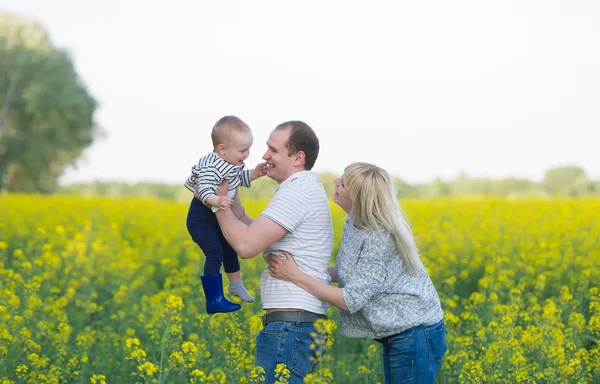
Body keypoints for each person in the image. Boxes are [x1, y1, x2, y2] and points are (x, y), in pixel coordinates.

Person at [268, 162, 447, 384]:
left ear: (358, 197)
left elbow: (349, 299)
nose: (335, 182)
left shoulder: (378, 237)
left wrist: (295, 275)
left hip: (416, 333)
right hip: (401, 334)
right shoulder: (354, 223)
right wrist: (301, 270)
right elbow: (348, 273)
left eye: (343, 183)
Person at [213, 120, 334, 384]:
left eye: (274, 150)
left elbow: (246, 246)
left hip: (291, 326)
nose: (265, 156)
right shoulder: (303, 188)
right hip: (297, 325)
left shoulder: (297, 192)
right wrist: (230, 195)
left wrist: (217, 207)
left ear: (298, 158)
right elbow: (253, 229)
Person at [184, 115, 267, 314]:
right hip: (201, 219)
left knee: (230, 246)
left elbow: (240, 179)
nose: (247, 154)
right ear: (222, 149)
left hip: (215, 216)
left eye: (249, 149)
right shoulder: (209, 165)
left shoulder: (231, 164)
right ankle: (214, 299)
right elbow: (202, 190)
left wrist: (256, 173)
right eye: (242, 150)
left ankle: (235, 285)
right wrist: (218, 201)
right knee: (215, 254)